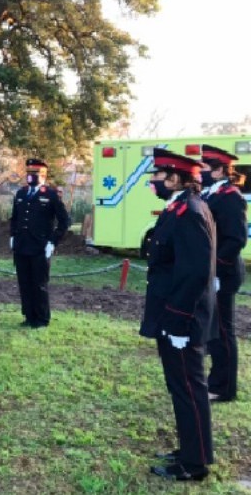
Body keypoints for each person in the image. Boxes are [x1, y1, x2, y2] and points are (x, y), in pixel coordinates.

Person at [144, 148, 216, 482]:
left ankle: (195, 463)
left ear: (174, 177)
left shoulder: (190, 211)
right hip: (172, 312)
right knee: (180, 387)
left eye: (158, 176)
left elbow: (196, 271)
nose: (154, 182)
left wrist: (179, 319)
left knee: (189, 388)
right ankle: (189, 449)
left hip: (182, 317)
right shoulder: (179, 207)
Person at [200, 144, 247, 403]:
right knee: (213, 329)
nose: (200, 172)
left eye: (205, 168)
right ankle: (216, 379)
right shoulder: (211, 194)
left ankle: (223, 387)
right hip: (212, 271)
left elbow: (235, 239)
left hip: (223, 273)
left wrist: (215, 269)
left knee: (222, 330)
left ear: (218, 171)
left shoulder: (230, 196)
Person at [9, 158, 70, 328]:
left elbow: (64, 221)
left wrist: (53, 242)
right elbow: (15, 218)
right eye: (28, 173)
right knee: (25, 283)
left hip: (39, 247)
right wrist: (13, 235)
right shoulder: (21, 193)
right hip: (22, 245)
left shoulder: (50, 195)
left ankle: (41, 319)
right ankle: (29, 316)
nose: (30, 177)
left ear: (42, 175)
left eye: (33, 174)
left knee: (39, 284)